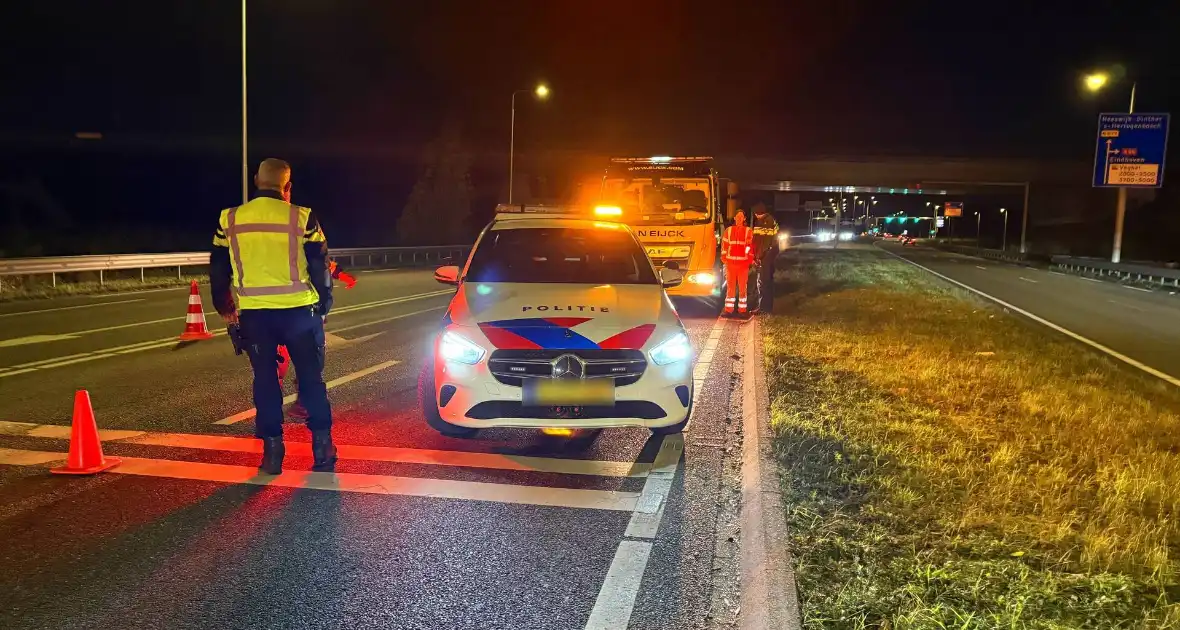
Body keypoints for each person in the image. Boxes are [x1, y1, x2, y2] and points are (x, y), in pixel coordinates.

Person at [210, 158, 336, 475]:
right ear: (287, 186)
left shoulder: (230, 219)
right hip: (299, 313)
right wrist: (324, 303)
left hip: (256, 315)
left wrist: (225, 307)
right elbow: (320, 265)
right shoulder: (303, 217)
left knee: (265, 382)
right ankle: (322, 449)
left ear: (256, 180)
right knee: (310, 380)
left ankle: (272, 454)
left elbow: (218, 268)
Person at [721, 210, 754, 317]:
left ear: (744, 219)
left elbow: (750, 247)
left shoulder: (748, 231)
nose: (739, 218)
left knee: (742, 288)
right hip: (730, 264)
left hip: (743, 265)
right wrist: (724, 259)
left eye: (741, 217)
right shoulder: (728, 231)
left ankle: (742, 311)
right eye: (737, 216)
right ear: (734, 218)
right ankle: (728, 310)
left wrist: (748, 260)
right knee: (730, 287)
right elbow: (724, 246)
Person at [749, 202, 780, 314]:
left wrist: (759, 256)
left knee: (763, 282)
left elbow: (762, 242)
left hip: (765, 257)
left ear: (757, 213)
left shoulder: (764, 222)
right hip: (769, 256)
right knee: (765, 281)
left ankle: (764, 308)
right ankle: (766, 307)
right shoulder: (770, 220)